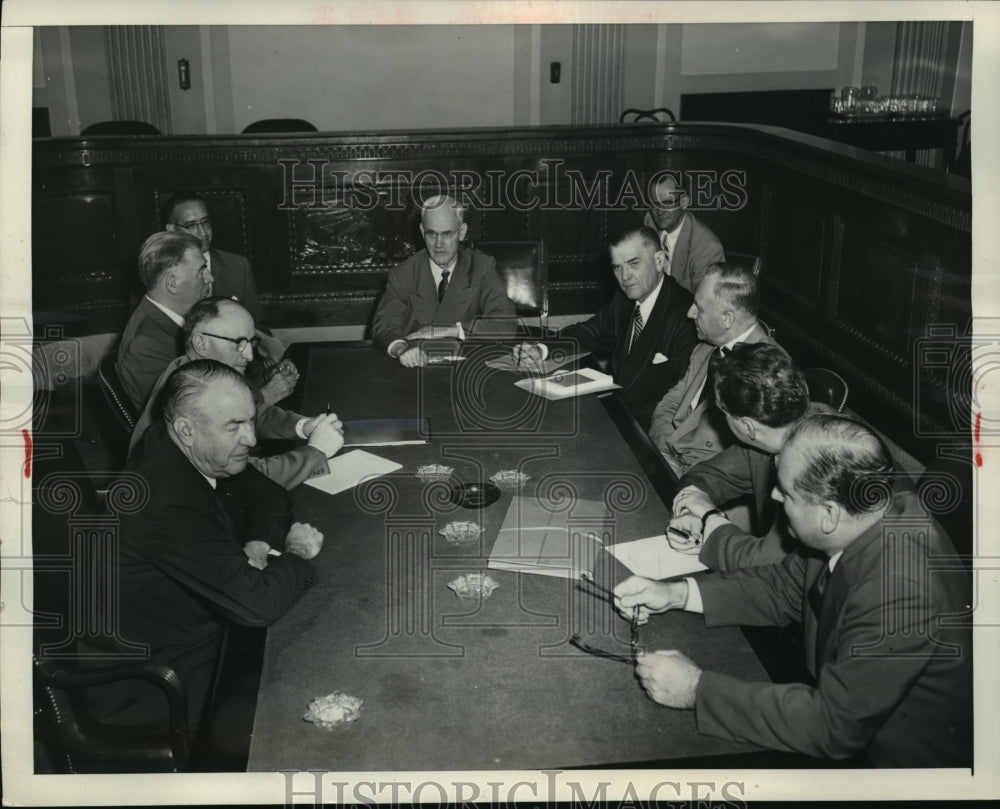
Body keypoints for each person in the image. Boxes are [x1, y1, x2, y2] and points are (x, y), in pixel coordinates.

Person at [614, 414, 972, 768]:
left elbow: (833, 727)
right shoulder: (862, 516)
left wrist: (695, 689)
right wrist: (674, 593)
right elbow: (785, 588)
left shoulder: (901, 590)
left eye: (785, 492)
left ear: (828, 514)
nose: (773, 493)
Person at [86, 360, 324, 733]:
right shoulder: (167, 500)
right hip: (157, 683)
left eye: (250, 421)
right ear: (187, 429)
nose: (251, 439)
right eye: (234, 426)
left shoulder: (182, 446)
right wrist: (296, 552)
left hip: (194, 634)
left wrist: (258, 546)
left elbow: (271, 497)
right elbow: (256, 604)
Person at [129, 298, 343, 489]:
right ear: (200, 343)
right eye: (239, 343)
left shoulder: (199, 374)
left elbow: (251, 414)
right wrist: (316, 452)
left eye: (250, 343)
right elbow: (246, 479)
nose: (249, 355)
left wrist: (303, 426)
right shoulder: (190, 395)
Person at [513, 226, 697, 430]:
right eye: (617, 267)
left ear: (659, 260)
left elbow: (679, 402)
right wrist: (541, 349)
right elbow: (588, 332)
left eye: (633, 264)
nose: (624, 277)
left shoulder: (686, 315)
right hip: (615, 416)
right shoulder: (624, 301)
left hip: (648, 431)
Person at [666, 342, 826, 571]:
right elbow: (707, 474)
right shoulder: (770, 435)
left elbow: (767, 565)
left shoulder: (822, 466)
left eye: (724, 414)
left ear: (748, 427)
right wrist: (692, 511)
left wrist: (710, 518)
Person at [648, 262, 776, 476]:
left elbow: (750, 461)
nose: (689, 313)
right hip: (671, 459)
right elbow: (668, 405)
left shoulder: (767, 371)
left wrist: (685, 474)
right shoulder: (707, 347)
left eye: (699, 307)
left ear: (727, 319)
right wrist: (663, 453)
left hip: (709, 484)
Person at [370, 195, 516, 367]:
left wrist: (452, 329)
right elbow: (384, 327)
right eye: (432, 234)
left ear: (462, 232)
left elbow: (506, 324)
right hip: (417, 367)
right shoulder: (403, 274)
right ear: (422, 232)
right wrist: (401, 349)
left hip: (468, 367)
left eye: (447, 234)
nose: (439, 245)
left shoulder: (482, 267)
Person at [162, 192, 289, 371]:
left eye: (206, 222)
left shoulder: (237, 266)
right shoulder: (161, 274)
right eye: (191, 225)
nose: (202, 232)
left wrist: (271, 352)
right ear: (171, 229)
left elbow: (258, 325)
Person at [116, 231, 212, 411]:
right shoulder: (145, 346)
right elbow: (194, 415)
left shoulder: (172, 320)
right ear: (172, 283)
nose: (210, 278)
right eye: (201, 271)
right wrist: (266, 394)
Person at [641, 174, 725, 295]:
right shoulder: (650, 221)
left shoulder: (708, 248)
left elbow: (704, 305)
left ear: (684, 202)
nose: (659, 211)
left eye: (667, 203)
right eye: (655, 203)